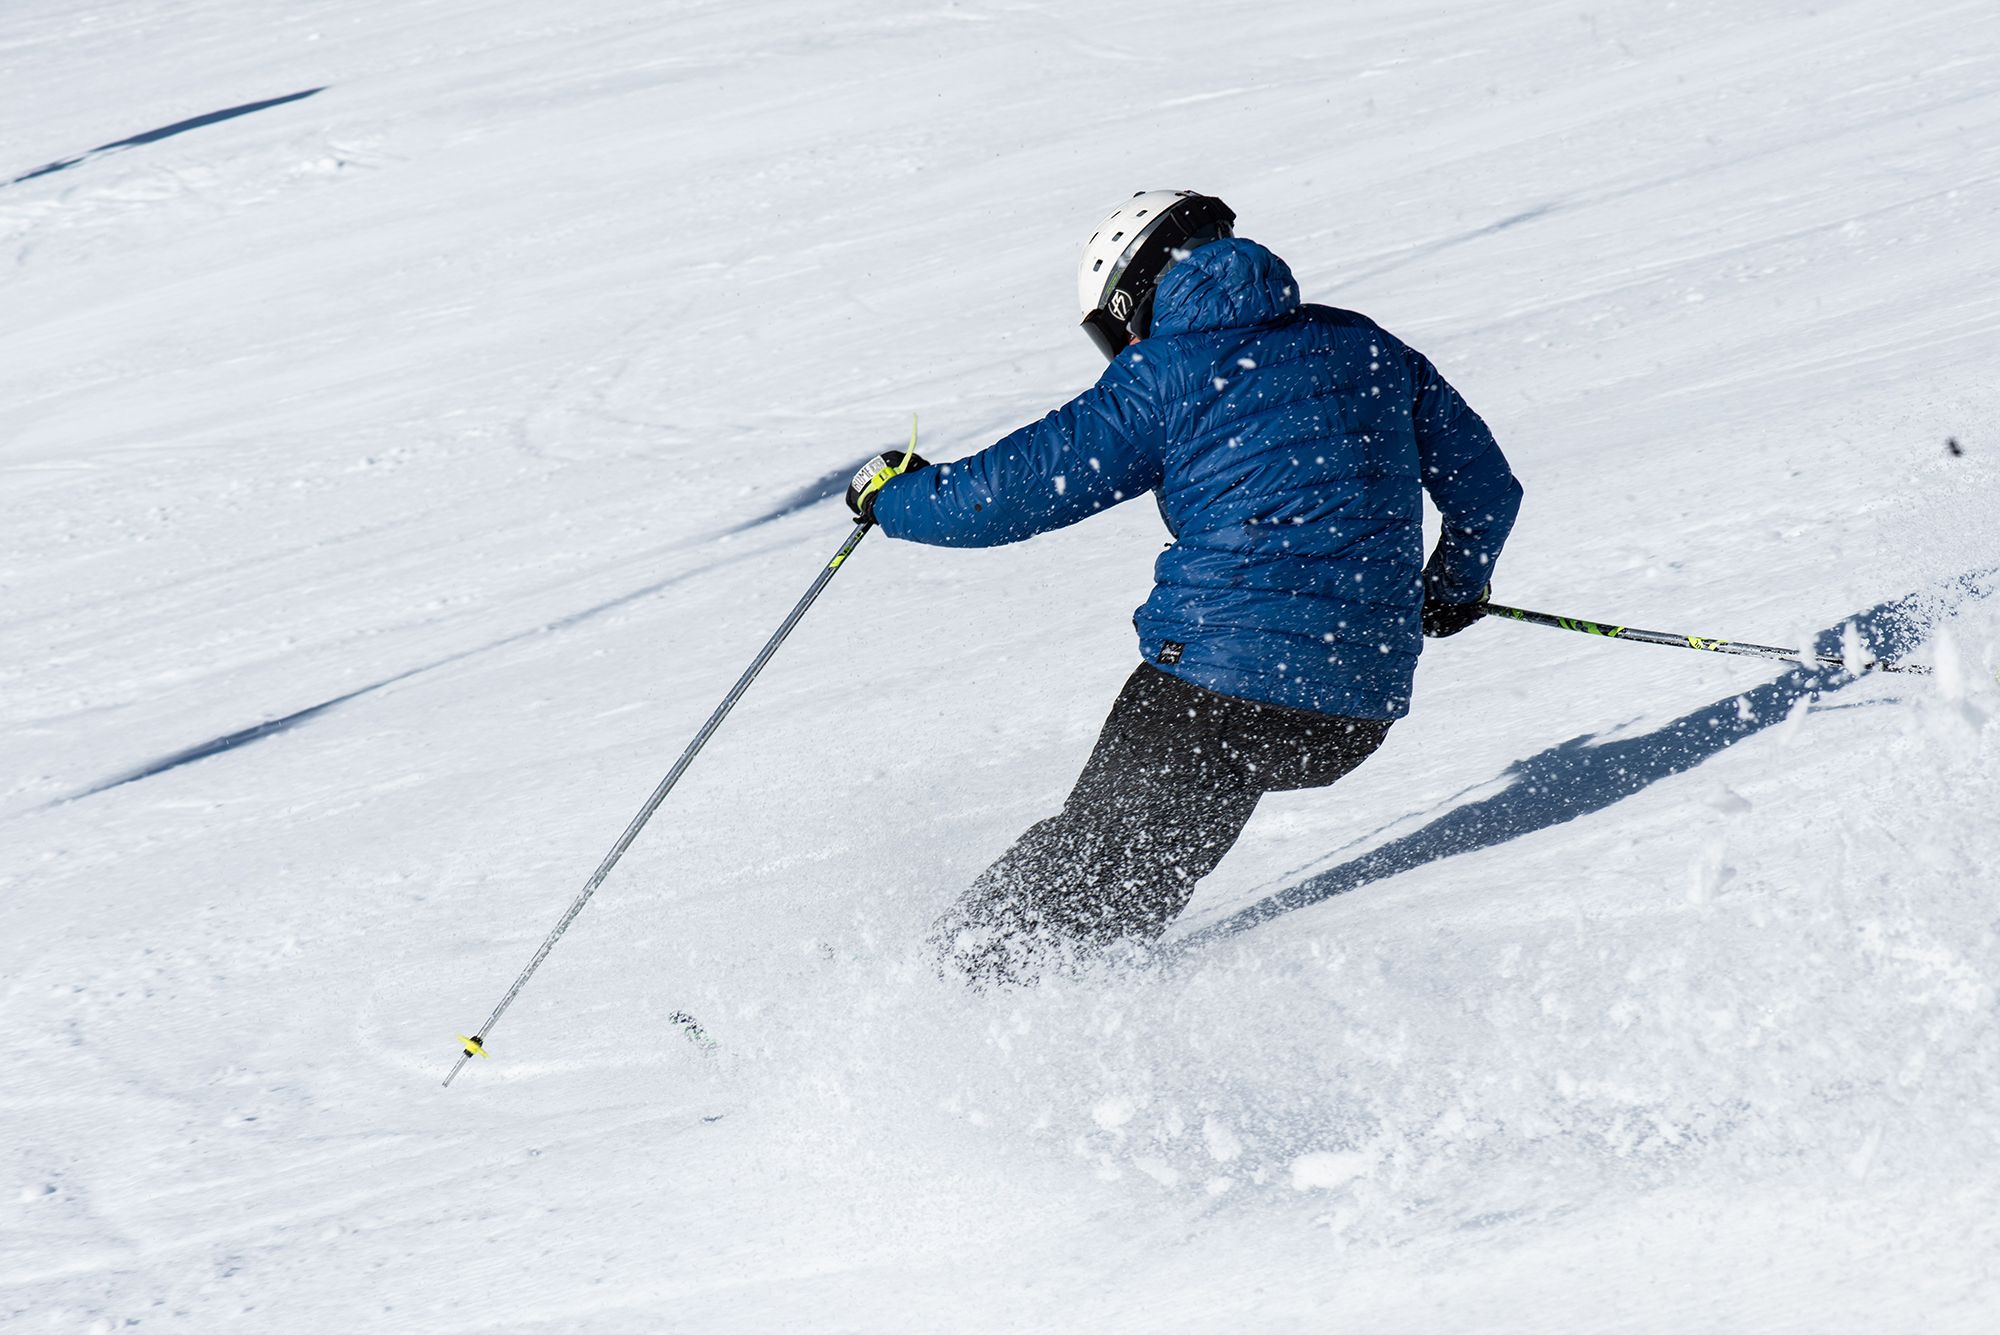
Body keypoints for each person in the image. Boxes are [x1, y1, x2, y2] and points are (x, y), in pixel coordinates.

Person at [844, 190, 1523, 982]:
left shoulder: (1167, 372)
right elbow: (1486, 489)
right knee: (1127, 879)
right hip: (1352, 702)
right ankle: (1034, 1014)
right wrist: (1452, 584)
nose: (1123, 345)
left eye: (1113, 328)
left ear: (1134, 294)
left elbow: (1012, 492)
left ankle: (930, 1003)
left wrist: (894, 496)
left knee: (1088, 865)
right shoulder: (1363, 345)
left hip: (1218, 682)